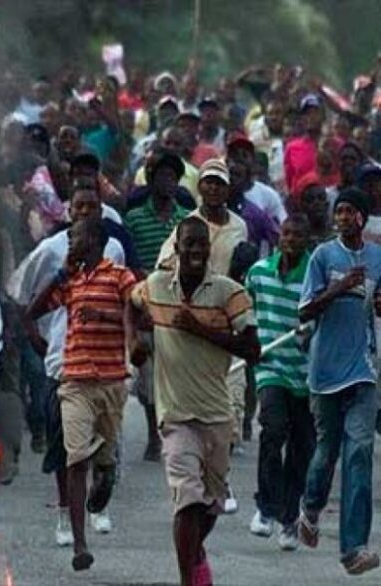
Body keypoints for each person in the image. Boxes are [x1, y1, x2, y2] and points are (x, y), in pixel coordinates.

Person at [128, 216, 259, 586]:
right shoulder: (155, 286)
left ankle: (194, 556)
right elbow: (131, 303)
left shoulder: (230, 293)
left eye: (203, 243)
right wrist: (132, 341)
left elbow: (253, 349)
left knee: (210, 507)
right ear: (177, 247)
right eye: (190, 244)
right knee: (187, 500)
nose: (197, 250)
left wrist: (200, 329)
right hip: (175, 416)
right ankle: (189, 578)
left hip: (216, 414)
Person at [10, 184, 127, 545]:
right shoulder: (51, 250)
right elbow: (21, 294)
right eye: (79, 207)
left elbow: (130, 308)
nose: (85, 212)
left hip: (107, 365)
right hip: (63, 362)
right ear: (68, 211)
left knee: (102, 447)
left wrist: (118, 328)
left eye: (92, 207)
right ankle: (67, 516)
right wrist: (35, 338)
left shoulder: (114, 251)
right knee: (67, 445)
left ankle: (100, 499)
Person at [25, 219, 136, 572]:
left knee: (103, 462)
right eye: (71, 237)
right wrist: (60, 275)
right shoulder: (69, 279)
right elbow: (33, 311)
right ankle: (80, 543)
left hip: (111, 381)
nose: (72, 242)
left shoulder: (120, 277)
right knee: (74, 458)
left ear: (98, 242)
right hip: (74, 380)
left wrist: (103, 314)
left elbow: (138, 317)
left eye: (80, 237)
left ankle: (106, 473)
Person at [296, 188, 381, 575]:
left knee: (359, 455)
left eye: (350, 211)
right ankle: (310, 508)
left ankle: (354, 549)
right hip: (324, 373)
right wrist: (340, 287)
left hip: (363, 371)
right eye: (340, 211)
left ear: (362, 218)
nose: (344, 217)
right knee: (325, 452)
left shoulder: (378, 257)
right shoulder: (322, 256)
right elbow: (305, 310)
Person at [245, 214, 314, 551]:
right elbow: (245, 310)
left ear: (307, 240)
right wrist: (249, 342)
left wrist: (310, 333)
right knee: (272, 431)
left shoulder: (315, 279)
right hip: (270, 368)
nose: (291, 239)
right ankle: (266, 507)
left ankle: (289, 517)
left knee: (302, 446)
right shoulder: (258, 273)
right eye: (286, 233)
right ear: (278, 237)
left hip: (307, 374)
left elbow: (322, 321)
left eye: (298, 235)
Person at [157, 159, 248, 276]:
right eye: (209, 183)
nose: (214, 188)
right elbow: (164, 263)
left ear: (228, 190)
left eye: (219, 183)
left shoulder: (239, 226)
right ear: (199, 187)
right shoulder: (188, 224)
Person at [285, 95, 325, 196]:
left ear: (323, 116)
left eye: (315, 112)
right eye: (306, 114)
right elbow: (290, 183)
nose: (310, 117)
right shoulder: (292, 148)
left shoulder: (333, 145)